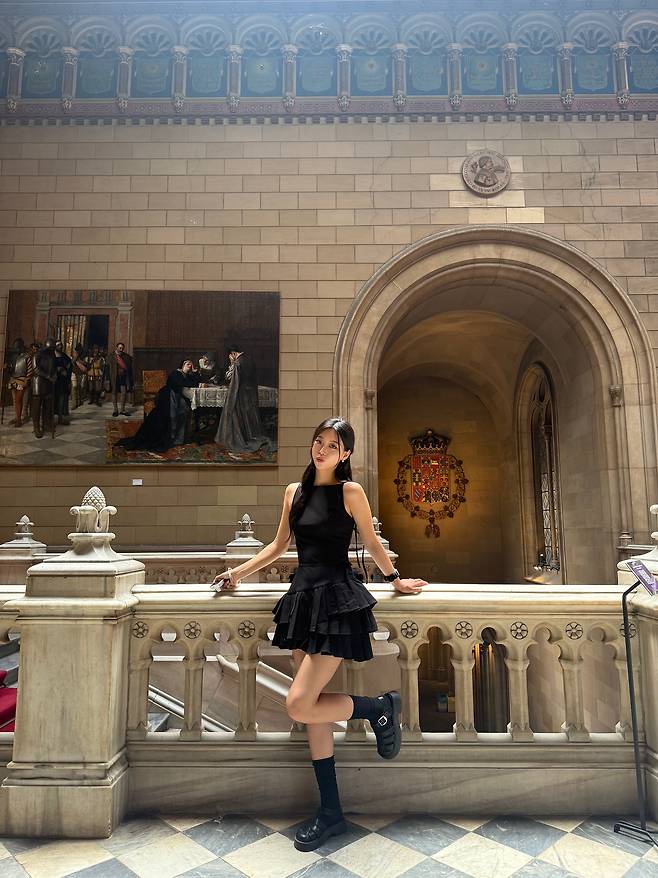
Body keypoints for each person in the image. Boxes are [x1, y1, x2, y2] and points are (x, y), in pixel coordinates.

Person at [211, 416, 428, 851]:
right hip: (303, 600)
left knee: (299, 704)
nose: (322, 449)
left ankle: (379, 707)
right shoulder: (294, 491)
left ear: (346, 454)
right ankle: (331, 813)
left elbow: (371, 541)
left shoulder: (351, 492)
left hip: (336, 599)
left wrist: (395, 579)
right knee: (313, 711)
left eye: (332, 445)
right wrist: (237, 573)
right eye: (318, 441)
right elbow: (278, 546)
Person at [114, 358, 200, 453]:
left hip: (178, 399)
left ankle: (178, 439)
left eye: (191, 365)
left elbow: (195, 383)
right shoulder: (176, 373)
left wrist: (194, 373)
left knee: (183, 411)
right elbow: (182, 384)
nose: (190, 366)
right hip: (168, 399)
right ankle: (170, 438)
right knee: (168, 417)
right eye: (188, 364)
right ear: (182, 365)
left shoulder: (187, 375)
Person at [214, 342, 274, 457]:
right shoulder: (249, 360)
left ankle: (240, 439)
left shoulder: (238, 363)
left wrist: (230, 397)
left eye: (230, 355)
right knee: (247, 416)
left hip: (239, 394)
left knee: (237, 416)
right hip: (250, 394)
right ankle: (249, 436)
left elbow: (233, 382)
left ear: (233, 354)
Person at [31, 337, 57, 439]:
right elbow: (35, 369)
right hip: (39, 382)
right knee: (37, 406)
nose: (52, 350)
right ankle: (36, 427)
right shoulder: (38, 354)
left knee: (48, 405)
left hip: (49, 383)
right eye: (51, 348)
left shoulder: (52, 355)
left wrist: (54, 374)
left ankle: (46, 424)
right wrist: (48, 376)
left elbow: (53, 367)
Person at [5, 338, 32, 427]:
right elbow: (11, 369)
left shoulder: (27, 356)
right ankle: (17, 417)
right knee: (15, 400)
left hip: (22, 379)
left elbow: (30, 369)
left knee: (18, 400)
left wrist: (27, 379)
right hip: (13, 379)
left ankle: (19, 419)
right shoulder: (12, 357)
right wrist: (7, 368)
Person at [108, 342, 134, 417]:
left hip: (123, 377)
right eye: (120, 348)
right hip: (114, 377)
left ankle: (122, 410)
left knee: (124, 392)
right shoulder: (111, 356)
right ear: (116, 348)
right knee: (114, 393)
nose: (121, 349)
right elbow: (107, 368)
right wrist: (107, 379)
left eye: (122, 348)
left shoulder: (126, 356)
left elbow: (129, 366)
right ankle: (115, 410)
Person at [53, 341, 73, 426]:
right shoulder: (51, 356)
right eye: (58, 345)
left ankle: (61, 418)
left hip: (62, 382)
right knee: (53, 400)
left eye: (61, 345)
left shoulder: (65, 357)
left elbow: (69, 366)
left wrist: (66, 372)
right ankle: (51, 419)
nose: (60, 346)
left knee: (62, 400)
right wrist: (56, 369)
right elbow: (48, 366)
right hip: (53, 382)